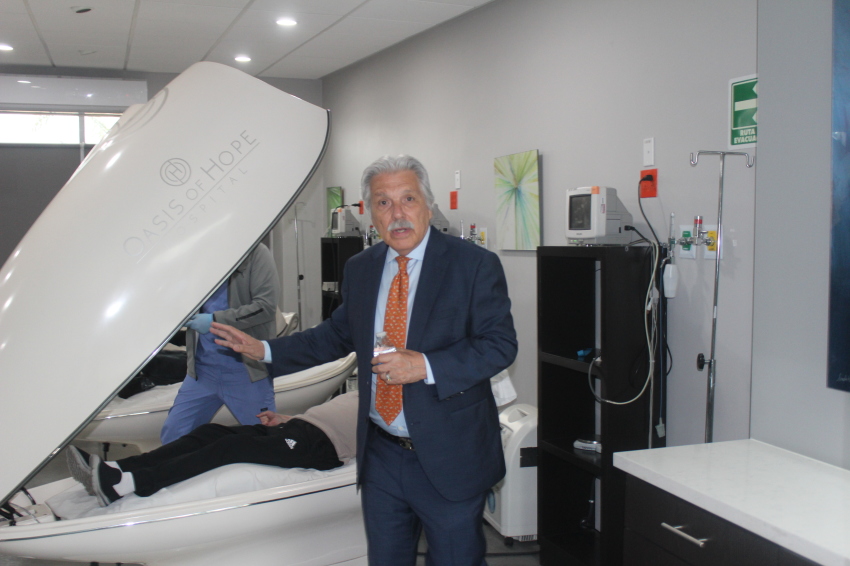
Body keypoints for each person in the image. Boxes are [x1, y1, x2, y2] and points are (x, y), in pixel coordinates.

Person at [211, 155, 517, 566]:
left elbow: (500, 344)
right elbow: (335, 336)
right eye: (383, 203)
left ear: (427, 203)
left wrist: (424, 365)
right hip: (382, 456)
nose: (397, 214)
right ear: (370, 213)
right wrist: (262, 350)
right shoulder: (362, 269)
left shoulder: (473, 265)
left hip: (450, 456)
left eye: (407, 199)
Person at [66, 391, 358, 507]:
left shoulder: (402, 400)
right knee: (210, 432)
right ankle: (121, 468)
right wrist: (286, 418)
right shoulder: (375, 383)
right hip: (298, 427)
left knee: (231, 447)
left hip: (323, 446)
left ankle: (130, 484)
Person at [160, 242, 280, 445]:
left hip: (246, 372)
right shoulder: (198, 256)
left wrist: (215, 320)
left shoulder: (256, 254)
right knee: (173, 435)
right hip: (202, 371)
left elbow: (266, 306)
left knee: (266, 441)